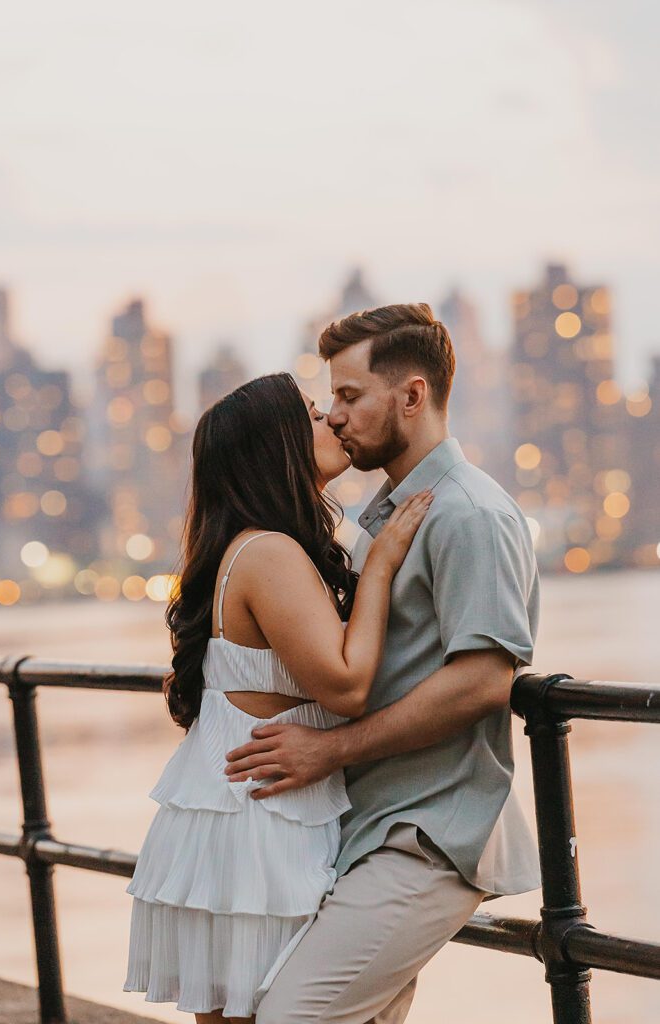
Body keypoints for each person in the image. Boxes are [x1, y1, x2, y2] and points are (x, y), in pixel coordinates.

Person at [224, 303, 543, 1024]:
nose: (333, 416)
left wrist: (327, 750)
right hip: (374, 825)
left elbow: (483, 681)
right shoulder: (391, 515)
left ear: (410, 396)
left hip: (429, 832)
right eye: (329, 398)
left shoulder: (469, 515)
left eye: (348, 396)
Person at [122, 371, 433, 1022]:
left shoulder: (257, 548)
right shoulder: (268, 553)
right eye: (316, 416)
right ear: (277, 446)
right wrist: (378, 565)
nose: (336, 423)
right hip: (258, 830)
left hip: (246, 821)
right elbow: (345, 686)